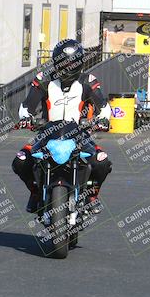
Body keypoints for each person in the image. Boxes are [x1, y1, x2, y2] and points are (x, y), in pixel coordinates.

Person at [12, 39, 112, 212]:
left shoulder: (88, 80)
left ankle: (92, 195)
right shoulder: (43, 80)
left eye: (73, 64)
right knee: (20, 161)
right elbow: (26, 106)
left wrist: (103, 119)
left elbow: (104, 106)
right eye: (64, 64)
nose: (68, 68)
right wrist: (26, 118)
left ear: (80, 63)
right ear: (56, 62)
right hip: (46, 134)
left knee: (102, 162)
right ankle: (35, 192)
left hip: (80, 134)